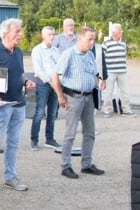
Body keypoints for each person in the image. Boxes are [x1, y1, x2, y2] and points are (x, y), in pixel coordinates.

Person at [0, 18, 35, 193]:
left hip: (18, 104)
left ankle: (10, 177)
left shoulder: (17, 52)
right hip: (2, 105)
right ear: (5, 34)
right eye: (17, 31)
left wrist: (26, 82)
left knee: (13, 143)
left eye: (20, 31)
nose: (20, 34)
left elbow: (19, 74)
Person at [52, 26, 106, 179]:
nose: (92, 42)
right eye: (89, 39)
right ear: (80, 38)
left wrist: (99, 82)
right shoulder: (69, 54)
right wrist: (60, 96)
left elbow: (94, 74)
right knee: (70, 134)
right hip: (74, 97)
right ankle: (66, 166)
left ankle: (86, 164)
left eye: (93, 39)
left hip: (89, 97)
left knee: (89, 132)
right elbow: (55, 75)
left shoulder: (89, 55)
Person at [29, 26, 61, 150]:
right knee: (39, 112)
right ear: (43, 36)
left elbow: (59, 67)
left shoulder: (56, 51)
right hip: (43, 83)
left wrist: (57, 83)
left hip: (55, 83)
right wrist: (50, 82)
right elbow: (39, 70)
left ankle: (50, 138)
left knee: (52, 113)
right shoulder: (37, 50)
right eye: (49, 34)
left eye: (53, 34)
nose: (52, 37)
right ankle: (34, 140)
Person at [101, 23, 134, 117]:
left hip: (122, 71)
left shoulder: (123, 43)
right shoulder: (106, 43)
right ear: (115, 32)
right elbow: (102, 57)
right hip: (110, 71)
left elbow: (124, 55)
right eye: (120, 30)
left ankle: (126, 109)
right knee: (109, 92)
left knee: (125, 91)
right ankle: (107, 109)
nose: (122, 32)